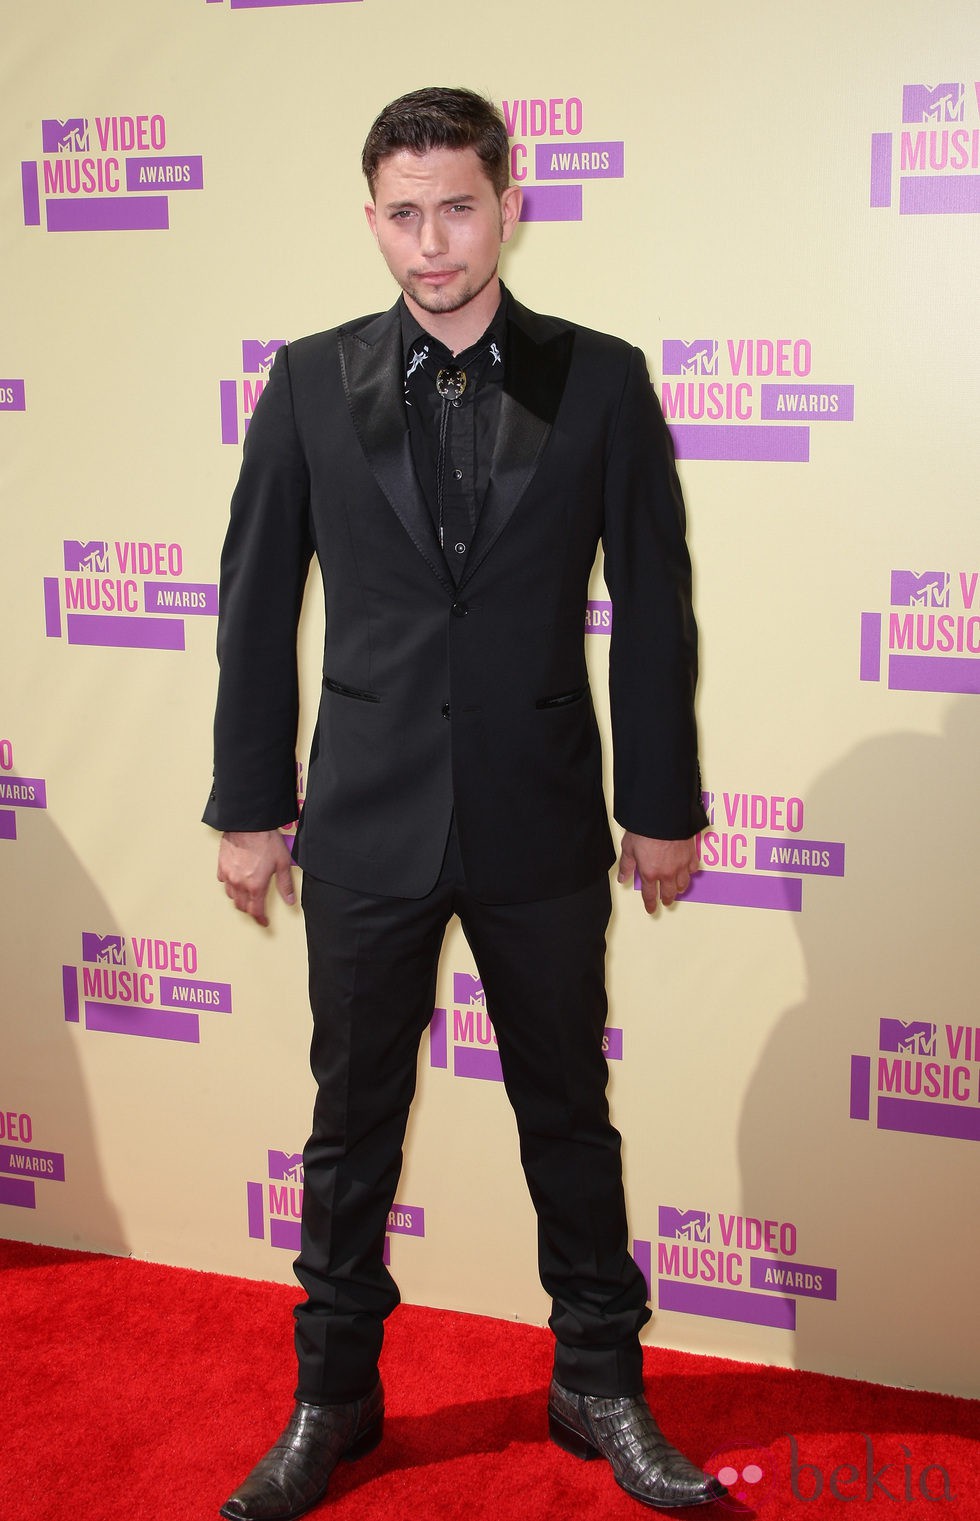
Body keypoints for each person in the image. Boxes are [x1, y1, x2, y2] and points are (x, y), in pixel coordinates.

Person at [206, 87, 724, 1519]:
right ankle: (333, 1396)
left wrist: (659, 801)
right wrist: (250, 806)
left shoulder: (601, 380)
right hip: (363, 817)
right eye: (403, 214)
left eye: (456, 208)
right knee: (349, 1126)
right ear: (371, 218)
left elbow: (657, 604)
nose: (431, 242)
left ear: (509, 205)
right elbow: (255, 605)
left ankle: (599, 1383)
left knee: (570, 1115)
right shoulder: (307, 382)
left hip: (538, 814)